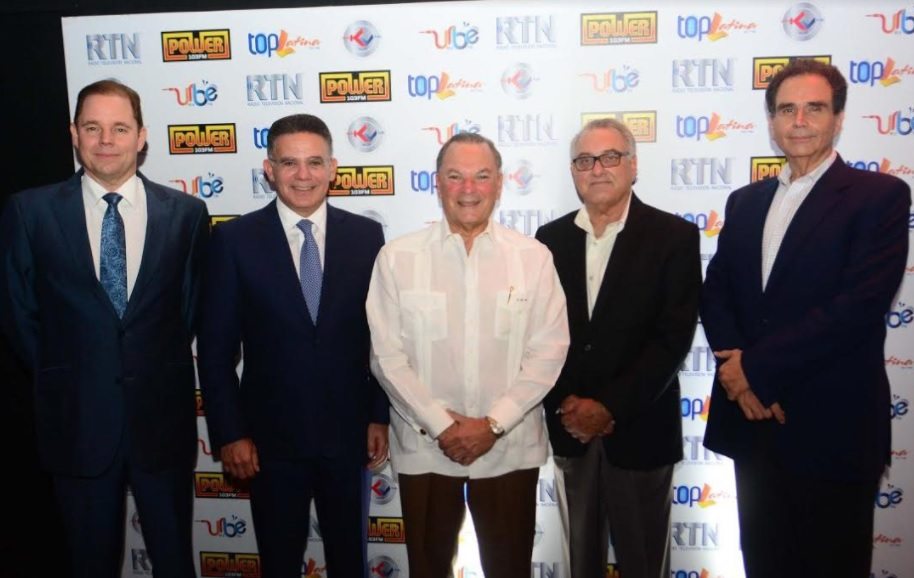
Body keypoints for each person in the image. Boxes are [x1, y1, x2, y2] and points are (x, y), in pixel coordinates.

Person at [701, 59, 911, 578]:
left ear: (838, 119)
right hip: (752, 427)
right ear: (771, 121)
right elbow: (717, 291)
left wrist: (756, 372)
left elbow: (857, 307)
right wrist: (737, 377)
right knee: (764, 564)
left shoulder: (880, 196)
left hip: (832, 428)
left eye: (814, 108)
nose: (799, 121)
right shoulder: (745, 202)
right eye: (786, 109)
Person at [0, 79, 209, 578]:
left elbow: (188, 310)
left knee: (175, 562)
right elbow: (18, 313)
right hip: (76, 426)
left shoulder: (186, 215)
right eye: (92, 128)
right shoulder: (30, 212)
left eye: (120, 128)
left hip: (162, 426)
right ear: (74, 134)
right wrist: (73, 375)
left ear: (142, 136)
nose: (106, 140)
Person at [366, 132, 569, 578]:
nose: (468, 189)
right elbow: (386, 356)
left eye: (481, 176)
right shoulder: (397, 258)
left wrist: (493, 424)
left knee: (509, 568)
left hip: (509, 446)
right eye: (455, 176)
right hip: (424, 445)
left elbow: (549, 352)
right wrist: (441, 425)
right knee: (428, 568)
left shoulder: (533, 258)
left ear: (500, 183)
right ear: (437, 182)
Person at [196, 113, 389, 578]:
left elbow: (381, 338)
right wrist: (230, 432)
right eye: (289, 163)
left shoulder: (367, 237)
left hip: (348, 438)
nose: (303, 175)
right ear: (269, 169)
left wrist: (378, 414)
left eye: (314, 162)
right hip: (269, 442)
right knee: (279, 562)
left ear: (333, 168)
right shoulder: (233, 240)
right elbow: (216, 350)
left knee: (350, 562)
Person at [535, 118, 701, 578]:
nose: (597, 169)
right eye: (585, 160)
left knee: (644, 562)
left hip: (641, 431)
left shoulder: (673, 237)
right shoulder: (548, 241)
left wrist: (608, 407)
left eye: (610, 157)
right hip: (571, 430)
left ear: (633, 165)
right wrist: (568, 404)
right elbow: (538, 333)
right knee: (579, 562)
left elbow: (672, 338)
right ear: (573, 171)